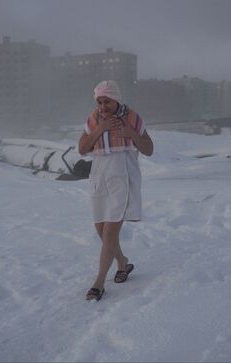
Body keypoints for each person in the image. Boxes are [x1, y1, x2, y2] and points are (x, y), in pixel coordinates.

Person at [78, 80, 154, 301]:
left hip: (123, 179)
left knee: (111, 233)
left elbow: (149, 149)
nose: (102, 106)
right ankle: (122, 263)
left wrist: (131, 133)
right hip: (99, 178)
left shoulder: (132, 118)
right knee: (101, 231)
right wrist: (100, 129)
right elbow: (82, 149)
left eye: (107, 101)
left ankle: (99, 283)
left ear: (116, 99)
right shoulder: (92, 120)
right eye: (99, 102)